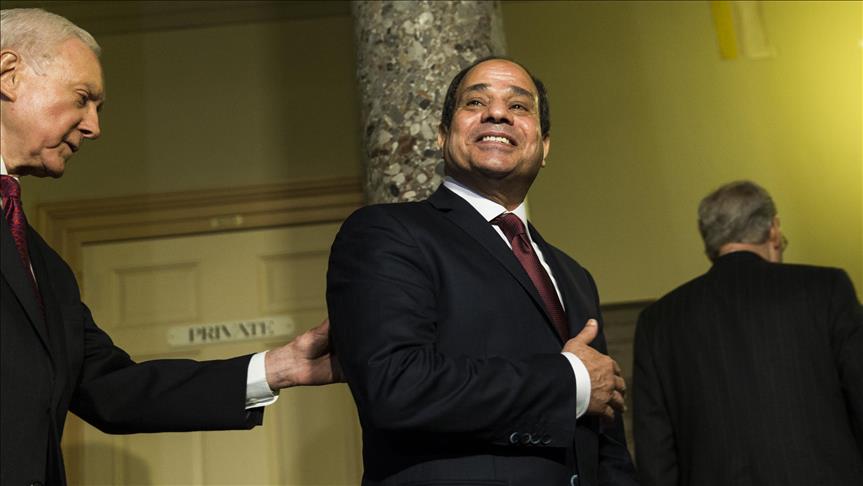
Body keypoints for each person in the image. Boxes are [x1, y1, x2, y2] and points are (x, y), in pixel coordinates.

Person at [0, 8, 341, 486]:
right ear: (8, 74)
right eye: (82, 98)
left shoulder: (46, 269)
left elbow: (113, 390)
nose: (94, 126)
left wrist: (280, 367)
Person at [327, 57, 637, 486]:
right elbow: (395, 386)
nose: (497, 113)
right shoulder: (387, 232)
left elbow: (606, 441)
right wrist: (570, 382)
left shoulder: (574, 276)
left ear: (545, 146)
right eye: (475, 102)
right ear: (442, 136)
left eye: (519, 106)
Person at [633, 180, 863, 486]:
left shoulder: (657, 322)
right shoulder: (826, 289)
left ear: (709, 242)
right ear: (774, 230)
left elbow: (655, 458)